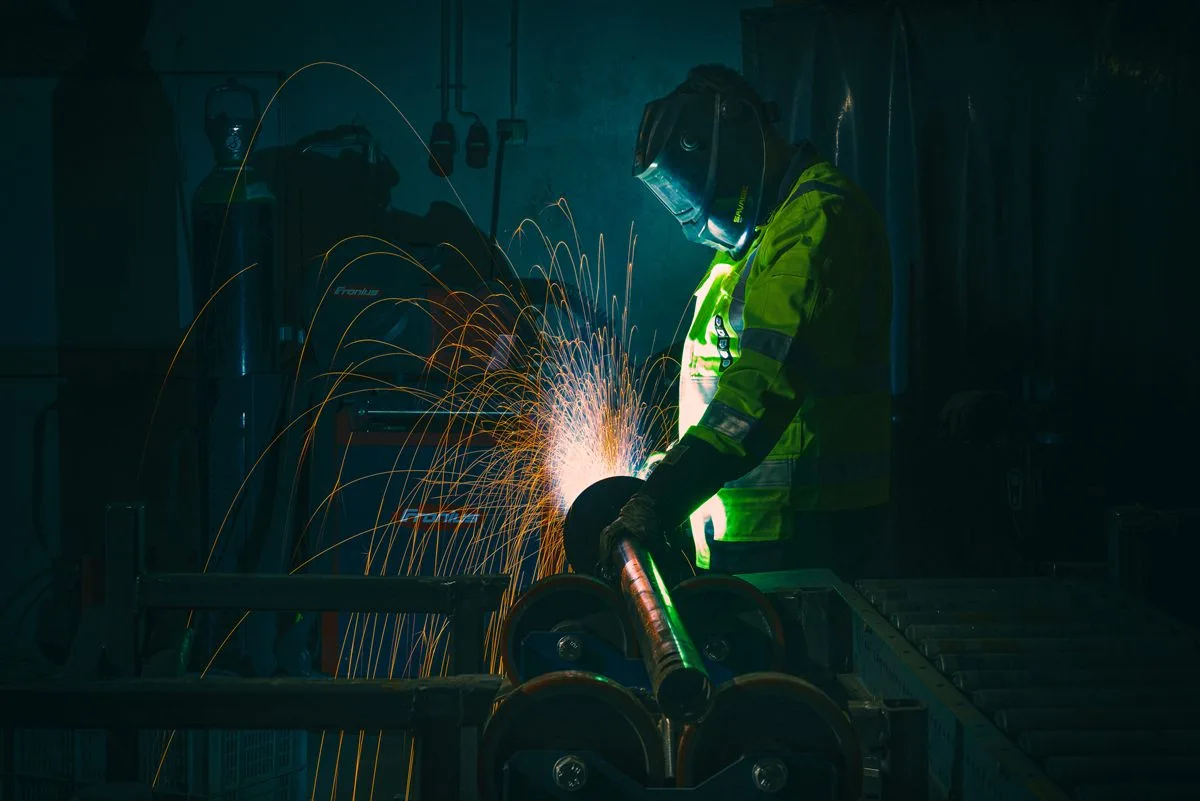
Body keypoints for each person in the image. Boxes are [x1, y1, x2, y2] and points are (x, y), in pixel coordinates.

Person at [598, 64, 893, 579]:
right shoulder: (756, 237)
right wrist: (672, 465)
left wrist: (666, 495)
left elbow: (765, 382)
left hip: (807, 538)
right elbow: (727, 382)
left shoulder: (819, 220)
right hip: (754, 535)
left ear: (732, 140)